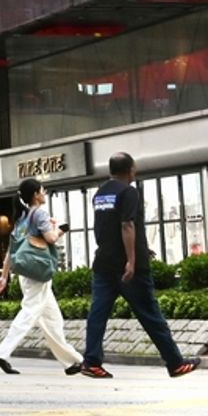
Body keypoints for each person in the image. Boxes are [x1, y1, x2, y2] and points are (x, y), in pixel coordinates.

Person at [82, 153, 200, 379]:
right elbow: (126, 225)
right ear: (130, 170)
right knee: (150, 314)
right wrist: (132, 260)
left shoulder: (100, 194)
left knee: (97, 313)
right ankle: (175, 363)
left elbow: (106, 227)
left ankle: (91, 361)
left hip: (103, 262)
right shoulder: (129, 192)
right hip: (128, 268)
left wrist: (142, 249)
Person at [0, 177, 82, 376]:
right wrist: (60, 229)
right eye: (42, 190)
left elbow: (11, 251)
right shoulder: (39, 213)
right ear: (35, 195)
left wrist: (4, 277)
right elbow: (50, 238)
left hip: (27, 275)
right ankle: (2, 353)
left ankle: (73, 362)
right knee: (29, 312)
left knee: (53, 320)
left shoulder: (22, 219)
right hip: (38, 273)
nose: (45, 193)